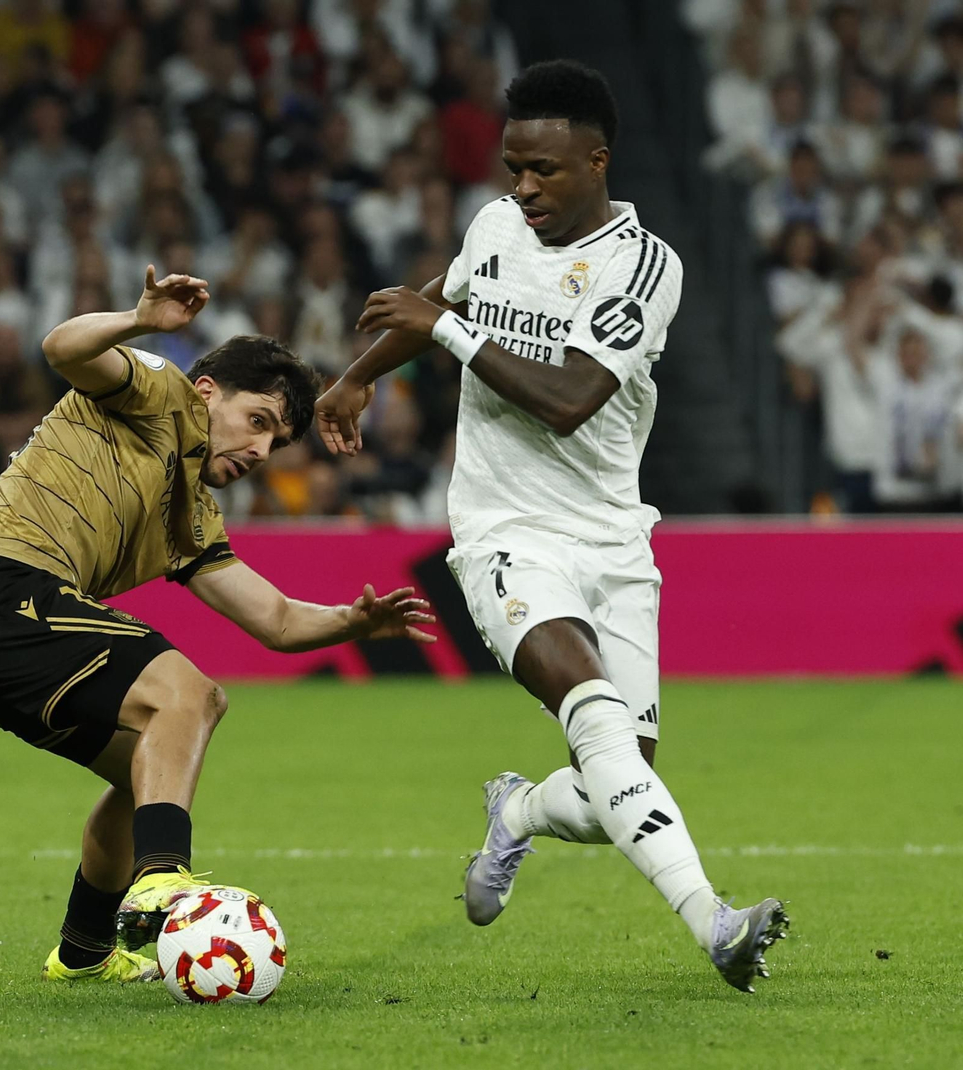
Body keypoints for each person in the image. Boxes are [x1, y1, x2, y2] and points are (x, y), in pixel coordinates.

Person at [313, 60, 787, 993]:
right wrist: (360, 376)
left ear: (597, 162)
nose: (523, 188)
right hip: (505, 532)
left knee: (619, 784)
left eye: (543, 170)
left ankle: (519, 811)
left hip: (611, 538)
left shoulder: (643, 266)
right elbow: (447, 299)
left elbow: (569, 400)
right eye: (514, 169)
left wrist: (441, 332)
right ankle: (717, 923)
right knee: (599, 723)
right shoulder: (495, 226)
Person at [0, 266, 434, 985]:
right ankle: (162, 881)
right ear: (209, 392)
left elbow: (276, 621)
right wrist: (139, 321)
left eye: (277, 442)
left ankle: (83, 952)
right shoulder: (163, 391)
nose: (260, 451)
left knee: (150, 770)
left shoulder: (192, 514)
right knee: (192, 696)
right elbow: (62, 348)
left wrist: (352, 621)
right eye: (258, 421)